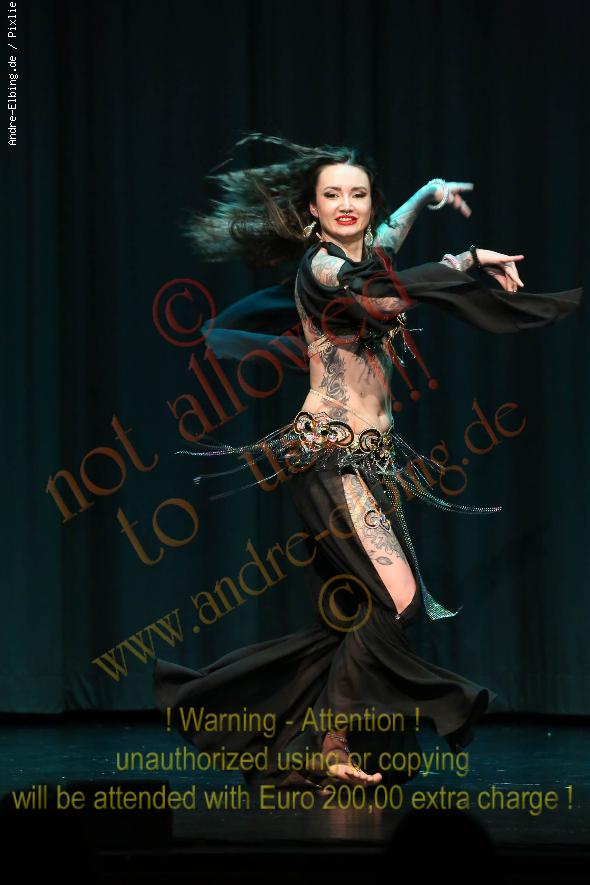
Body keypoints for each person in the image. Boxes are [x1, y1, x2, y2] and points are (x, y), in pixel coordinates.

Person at [153, 134, 582, 793]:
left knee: (351, 620)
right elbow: (386, 297)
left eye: (358, 194)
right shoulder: (324, 268)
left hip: (369, 462)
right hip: (328, 457)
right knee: (396, 601)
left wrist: (428, 195)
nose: (346, 204)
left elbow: (387, 248)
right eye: (332, 195)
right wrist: (465, 263)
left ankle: (272, 731)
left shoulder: (367, 255)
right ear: (312, 210)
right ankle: (331, 744)